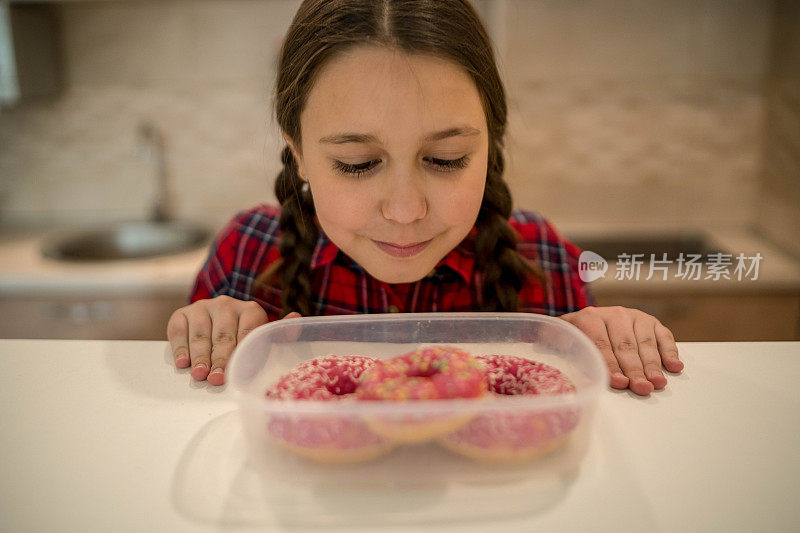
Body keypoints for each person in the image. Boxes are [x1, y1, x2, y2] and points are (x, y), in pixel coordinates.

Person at [167, 0, 683, 396]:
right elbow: (192, 396)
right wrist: (213, 332)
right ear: (298, 151)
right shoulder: (247, 254)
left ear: (490, 143)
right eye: (357, 164)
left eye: (445, 159)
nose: (406, 210)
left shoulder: (541, 260)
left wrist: (608, 338)